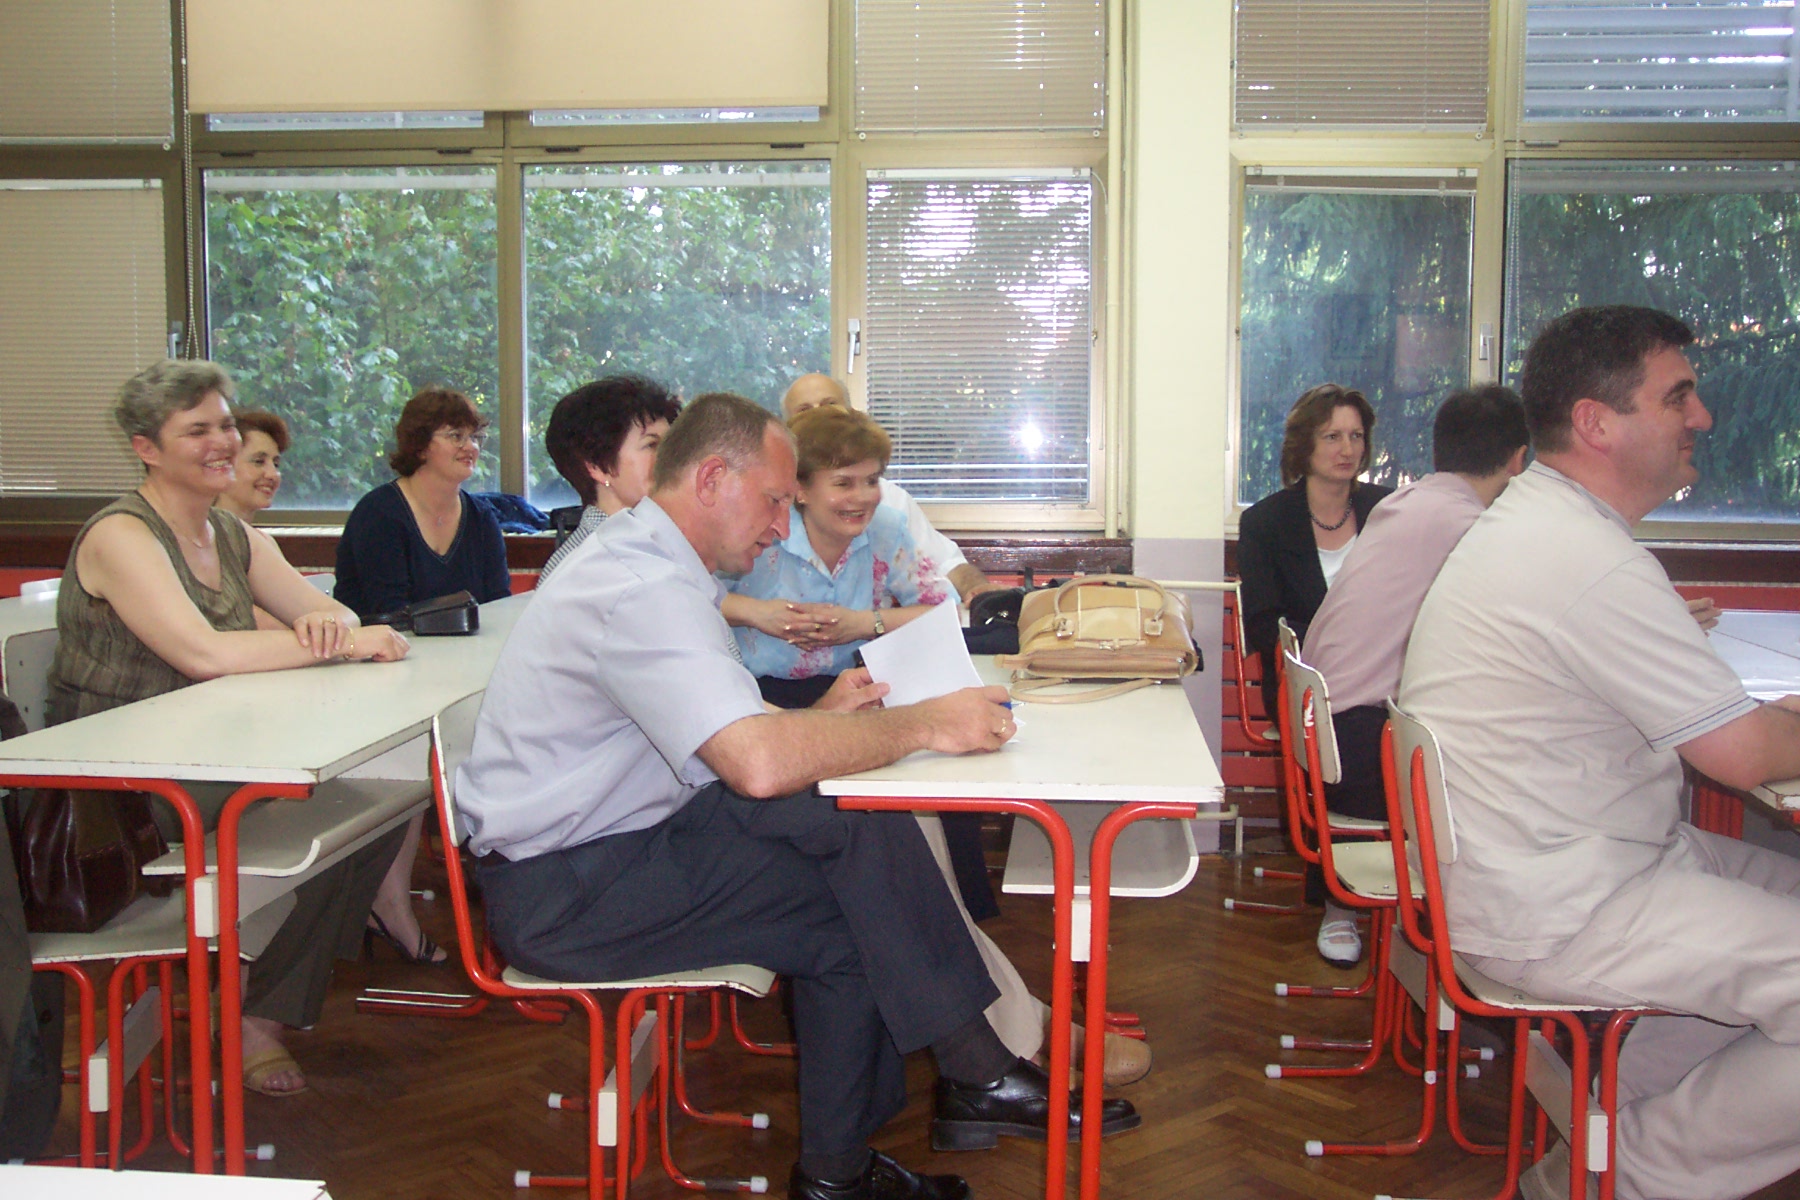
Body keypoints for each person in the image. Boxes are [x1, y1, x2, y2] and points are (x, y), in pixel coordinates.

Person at [456, 393, 1138, 1200]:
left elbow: (724, 732)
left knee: (857, 831)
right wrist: (926, 724)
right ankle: (936, 1102)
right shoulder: (640, 587)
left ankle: (941, 1099)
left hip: (631, 834)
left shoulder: (653, 560)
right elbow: (753, 765)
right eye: (775, 500)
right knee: (850, 910)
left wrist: (821, 718)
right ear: (712, 479)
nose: (782, 527)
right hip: (567, 888)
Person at [1398, 306, 1800, 1200]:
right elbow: (1741, 753)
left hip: (1562, 864)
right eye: (1678, 396)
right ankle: (1630, 1171)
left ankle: (1612, 1128)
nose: (1702, 417)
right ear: (1596, 422)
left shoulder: (1545, 525)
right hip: (1562, 900)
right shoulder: (1583, 556)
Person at [47, 359, 411, 1097]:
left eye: (224, 425)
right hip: (116, 790)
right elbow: (204, 654)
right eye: (197, 431)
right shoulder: (121, 535)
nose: (222, 442)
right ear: (146, 449)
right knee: (334, 806)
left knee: (381, 804)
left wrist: (331, 627)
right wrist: (338, 641)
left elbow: (336, 614)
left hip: (213, 756)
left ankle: (257, 1010)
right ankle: (245, 984)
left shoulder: (232, 533)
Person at [1299, 386, 1529, 965]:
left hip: (1327, 737)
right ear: (1519, 460)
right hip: (1361, 749)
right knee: (1524, 789)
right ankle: (1481, 948)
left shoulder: (1406, 504)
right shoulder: (1472, 526)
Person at [335, 387, 515, 966]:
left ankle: (505, 895)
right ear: (419, 445)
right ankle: (388, 905)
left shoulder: (481, 516)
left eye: (474, 436)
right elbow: (383, 616)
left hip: (451, 682)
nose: (470, 446)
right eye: (454, 436)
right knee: (424, 759)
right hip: (373, 683)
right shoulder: (380, 513)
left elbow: (495, 610)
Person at [1238, 383, 1393, 727]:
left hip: (1382, 685)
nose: (1347, 449)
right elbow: (1265, 626)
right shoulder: (1265, 523)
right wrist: (1344, 645)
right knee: (1363, 732)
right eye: (1332, 437)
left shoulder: (1387, 510)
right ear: (1304, 444)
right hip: (1305, 688)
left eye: (1356, 436)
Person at [779, 374, 999, 604]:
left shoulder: (887, 511)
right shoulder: (770, 519)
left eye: (829, 406)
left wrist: (979, 591)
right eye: (804, 411)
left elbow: (943, 568)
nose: (820, 417)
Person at [539, 374, 681, 583]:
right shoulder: (598, 561)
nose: (670, 457)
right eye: (651, 445)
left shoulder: (644, 542)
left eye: (670, 444)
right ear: (598, 466)